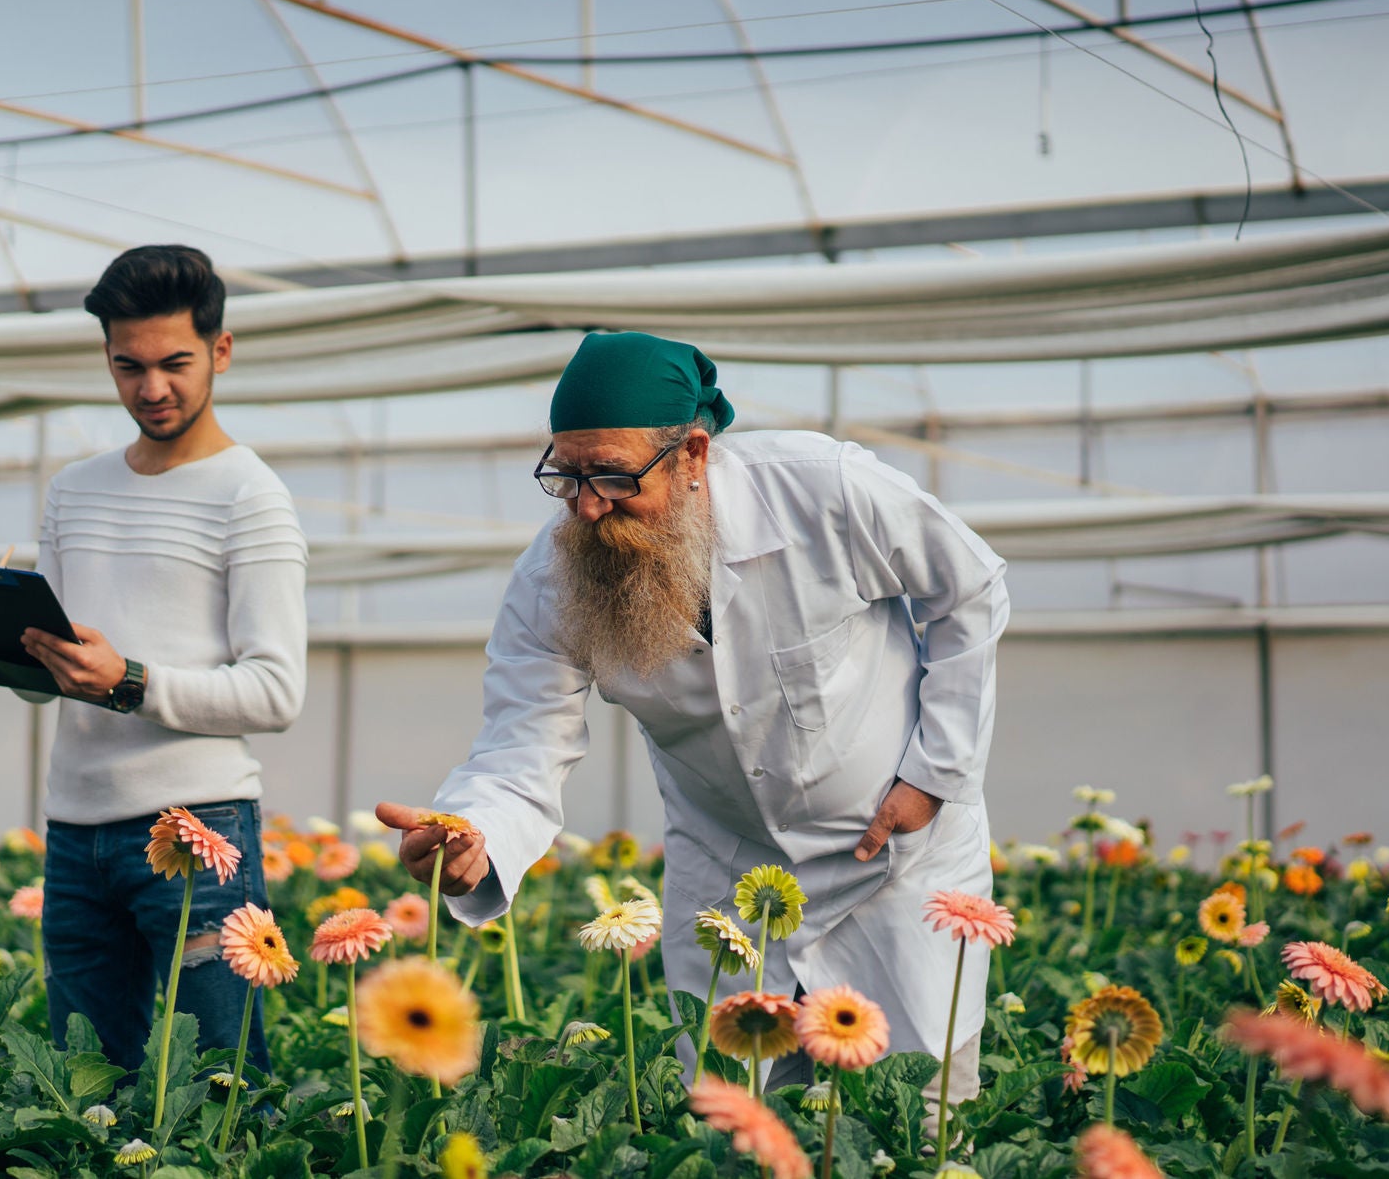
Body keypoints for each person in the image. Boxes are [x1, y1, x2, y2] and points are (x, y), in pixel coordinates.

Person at [377, 330, 1006, 1115]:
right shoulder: (551, 578)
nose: (589, 505)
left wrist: (935, 771)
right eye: (565, 475)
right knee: (739, 1122)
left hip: (900, 864)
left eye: (612, 475)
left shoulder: (824, 490)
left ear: (694, 454)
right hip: (731, 878)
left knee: (921, 1118)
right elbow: (522, 744)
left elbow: (970, 588)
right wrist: (470, 830)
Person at [10, 244, 307, 1072]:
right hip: (75, 833)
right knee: (84, 1087)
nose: (151, 388)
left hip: (200, 830)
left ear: (221, 349)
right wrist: (13, 635)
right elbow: (55, 684)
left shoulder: (250, 495)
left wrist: (131, 681)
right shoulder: (74, 489)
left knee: (226, 1088)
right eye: (127, 365)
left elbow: (277, 692)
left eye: (174, 363)